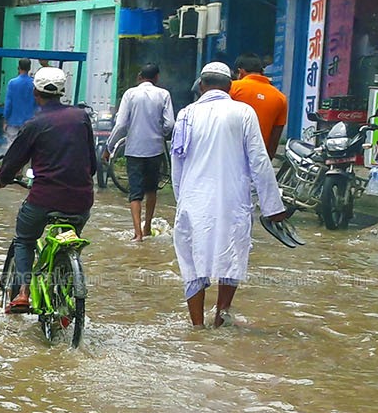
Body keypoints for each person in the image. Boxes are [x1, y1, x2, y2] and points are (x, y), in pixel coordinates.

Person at [170, 61, 289, 328]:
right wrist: (273, 207)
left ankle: (197, 326)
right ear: (230, 87)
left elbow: (176, 161)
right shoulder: (243, 113)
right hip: (232, 200)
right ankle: (220, 318)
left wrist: (182, 200)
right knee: (231, 257)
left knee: (192, 262)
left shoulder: (186, 114)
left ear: (201, 85)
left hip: (193, 200)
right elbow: (259, 161)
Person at [0, 66, 98, 313]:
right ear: (62, 92)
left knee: (25, 239)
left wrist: (2, 177)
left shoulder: (34, 124)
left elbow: (14, 161)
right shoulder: (81, 117)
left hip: (43, 199)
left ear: (35, 92)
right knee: (68, 240)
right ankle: (65, 282)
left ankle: (24, 292)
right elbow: (91, 164)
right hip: (81, 200)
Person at [111, 63, 176, 241]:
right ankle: (147, 227)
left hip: (134, 150)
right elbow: (170, 124)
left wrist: (110, 147)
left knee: (135, 192)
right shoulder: (164, 94)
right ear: (156, 77)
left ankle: (137, 233)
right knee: (151, 190)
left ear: (140, 76)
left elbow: (121, 124)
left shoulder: (130, 94)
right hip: (155, 150)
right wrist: (159, 133)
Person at [229, 54, 289, 156]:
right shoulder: (280, 98)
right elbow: (275, 137)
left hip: (230, 155)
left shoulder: (232, 88)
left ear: (240, 72)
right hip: (258, 158)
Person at [3, 58, 37, 134]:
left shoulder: (12, 83)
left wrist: (5, 120)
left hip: (13, 122)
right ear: (29, 68)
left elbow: (8, 104)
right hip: (30, 122)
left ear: (18, 67)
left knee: (12, 144)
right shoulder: (34, 83)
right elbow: (37, 104)